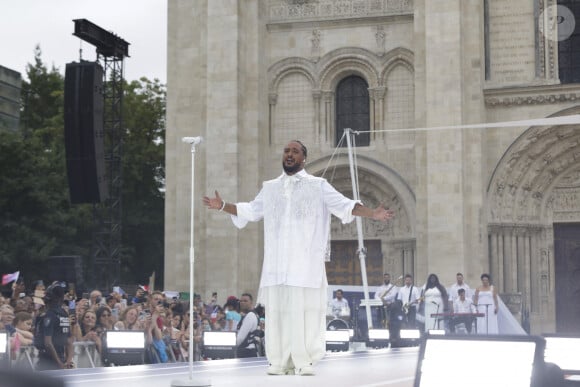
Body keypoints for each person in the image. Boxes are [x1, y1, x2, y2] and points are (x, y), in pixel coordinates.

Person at [203, 140, 393, 376]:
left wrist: (372, 213)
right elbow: (251, 210)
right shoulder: (271, 187)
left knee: (305, 314)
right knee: (278, 315)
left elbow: (344, 206)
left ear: (304, 158)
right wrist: (223, 206)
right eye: (286, 151)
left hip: (305, 266)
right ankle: (278, 361)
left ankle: (304, 361)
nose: (289, 154)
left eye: (295, 151)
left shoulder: (318, 186)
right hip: (276, 266)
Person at [34, 282, 74, 370]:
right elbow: (69, 341)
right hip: (62, 358)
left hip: (47, 362)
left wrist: (58, 362)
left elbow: (48, 342)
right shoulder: (64, 314)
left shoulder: (48, 315)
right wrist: (68, 361)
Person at [236, 293, 259, 358]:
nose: (242, 303)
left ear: (251, 302)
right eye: (241, 301)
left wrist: (230, 347)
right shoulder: (252, 314)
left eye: (245, 301)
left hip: (246, 351)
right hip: (249, 350)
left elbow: (240, 338)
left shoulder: (250, 315)